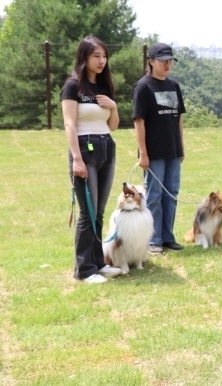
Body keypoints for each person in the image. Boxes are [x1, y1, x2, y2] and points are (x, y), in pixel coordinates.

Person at [61, 36, 123, 284]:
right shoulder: (72, 86)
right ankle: (83, 270)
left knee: (98, 212)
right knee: (87, 212)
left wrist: (114, 106)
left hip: (107, 147)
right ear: (84, 57)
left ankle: (98, 263)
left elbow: (113, 125)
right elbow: (69, 123)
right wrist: (76, 159)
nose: (101, 60)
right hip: (84, 151)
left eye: (104, 56)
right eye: (96, 56)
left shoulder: (105, 86)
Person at [132, 43, 186, 254]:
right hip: (153, 152)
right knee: (153, 195)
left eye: (170, 60)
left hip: (173, 150)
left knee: (171, 193)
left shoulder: (174, 86)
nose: (167, 64)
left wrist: (181, 147)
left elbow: (179, 119)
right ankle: (153, 240)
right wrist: (143, 153)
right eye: (163, 60)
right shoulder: (143, 87)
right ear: (151, 61)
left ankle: (167, 237)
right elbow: (139, 122)